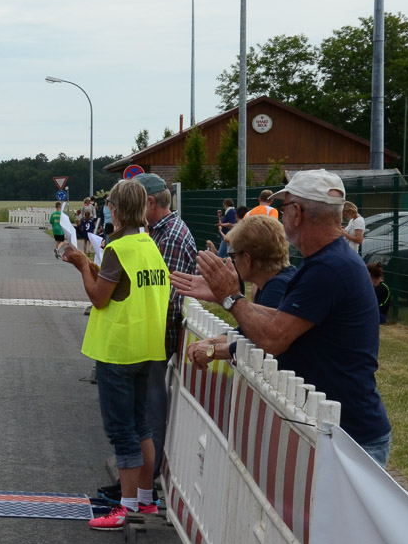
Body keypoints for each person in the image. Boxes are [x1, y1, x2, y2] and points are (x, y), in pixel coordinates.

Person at [170, 169, 393, 465]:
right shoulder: (329, 261)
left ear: (297, 213)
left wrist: (231, 297)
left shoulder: (328, 268)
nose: (282, 215)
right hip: (342, 431)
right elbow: (283, 319)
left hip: (347, 437)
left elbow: (273, 339)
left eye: (284, 207)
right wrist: (226, 298)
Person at [62, 179, 169, 531]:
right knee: (142, 426)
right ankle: (146, 500)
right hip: (146, 346)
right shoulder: (148, 244)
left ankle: (124, 507)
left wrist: (82, 265)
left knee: (122, 432)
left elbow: (99, 298)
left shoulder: (117, 247)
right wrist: (92, 268)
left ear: (116, 209)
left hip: (118, 350)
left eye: (110, 205)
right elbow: (122, 287)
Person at [133, 172, 199, 485]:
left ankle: (147, 478)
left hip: (156, 337)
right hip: (154, 334)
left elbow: (167, 297)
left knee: (151, 408)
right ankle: (144, 475)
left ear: (149, 202)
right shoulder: (162, 231)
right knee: (148, 406)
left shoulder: (169, 236)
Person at [182, 215, 296, 367]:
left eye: (233, 255)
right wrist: (211, 341)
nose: (232, 261)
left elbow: (261, 342)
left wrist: (212, 351)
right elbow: (246, 331)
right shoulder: (275, 282)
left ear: (248, 259)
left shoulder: (276, 287)